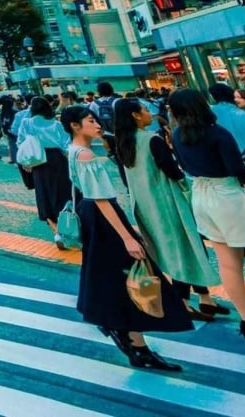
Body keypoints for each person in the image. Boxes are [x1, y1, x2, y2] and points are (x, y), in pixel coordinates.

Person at [61, 105, 190, 370]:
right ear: (75, 126)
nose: (98, 125)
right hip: (104, 217)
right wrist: (127, 236)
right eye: (90, 121)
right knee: (132, 275)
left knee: (114, 277)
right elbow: (101, 199)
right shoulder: (85, 154)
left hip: (93, 218)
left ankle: (128, 336)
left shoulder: (72, 150)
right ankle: (134, 341)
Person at [167, 89, 245, 346]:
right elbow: (236, 169)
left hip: (202, 196)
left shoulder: (177, 135)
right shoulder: (217, 134)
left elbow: (184, 166)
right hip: (228, 196)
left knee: (229, 263)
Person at [112, 98, 226, 321]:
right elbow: (172, 171)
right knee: (185, 250)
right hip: (168, 202)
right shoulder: (151, 140)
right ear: (135, 115)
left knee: (179, 250)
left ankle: (206, 299)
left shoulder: (123, 144)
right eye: (145, 110)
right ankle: (184, 303)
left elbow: (126, 180)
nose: (150, 113)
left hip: (145, 207)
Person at [16, 98, 73, 249]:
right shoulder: (56, 124)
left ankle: (56, 232)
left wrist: (26, 163)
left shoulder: (27, 123)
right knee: (63, 194)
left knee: (44, 195)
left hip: (39, 161)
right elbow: (66, 143)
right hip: (58, 160)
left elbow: (20, 142)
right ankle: (68, 225)